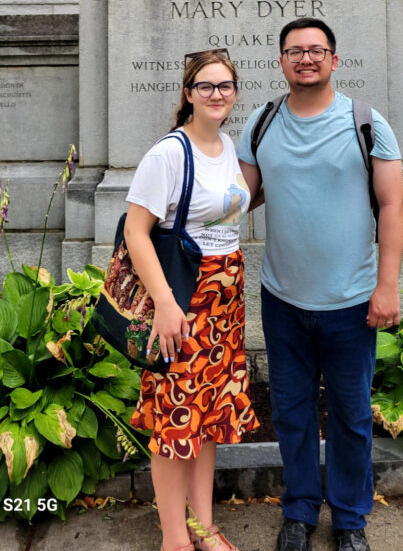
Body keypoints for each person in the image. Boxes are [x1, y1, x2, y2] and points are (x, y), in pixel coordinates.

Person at [237, 18, 403, 551]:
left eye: (316, 50)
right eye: (295, 51)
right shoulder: (261, 122)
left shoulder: (366, 122)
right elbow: (238, 198)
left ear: (334, 60)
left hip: (351, 302)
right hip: (282, 298)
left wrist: (387, 286)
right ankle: (299, 512)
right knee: (291, 412)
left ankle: (351, 520)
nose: (305, 58)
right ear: (281, 62)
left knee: (352, 417)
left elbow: (392, 205)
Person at [124, 49, 259, 551]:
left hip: (226, 303)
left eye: (225, 86)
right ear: (188, 93)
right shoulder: (168, 153)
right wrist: (164, 303)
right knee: (174, 415)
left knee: (206, 414)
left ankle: (204, 527)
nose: (216, 94)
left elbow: (226, 216)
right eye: (206, 86)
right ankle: (175, 538)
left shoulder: (226, 146)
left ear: (235, 92)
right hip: (183, 297)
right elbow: (136, 231)